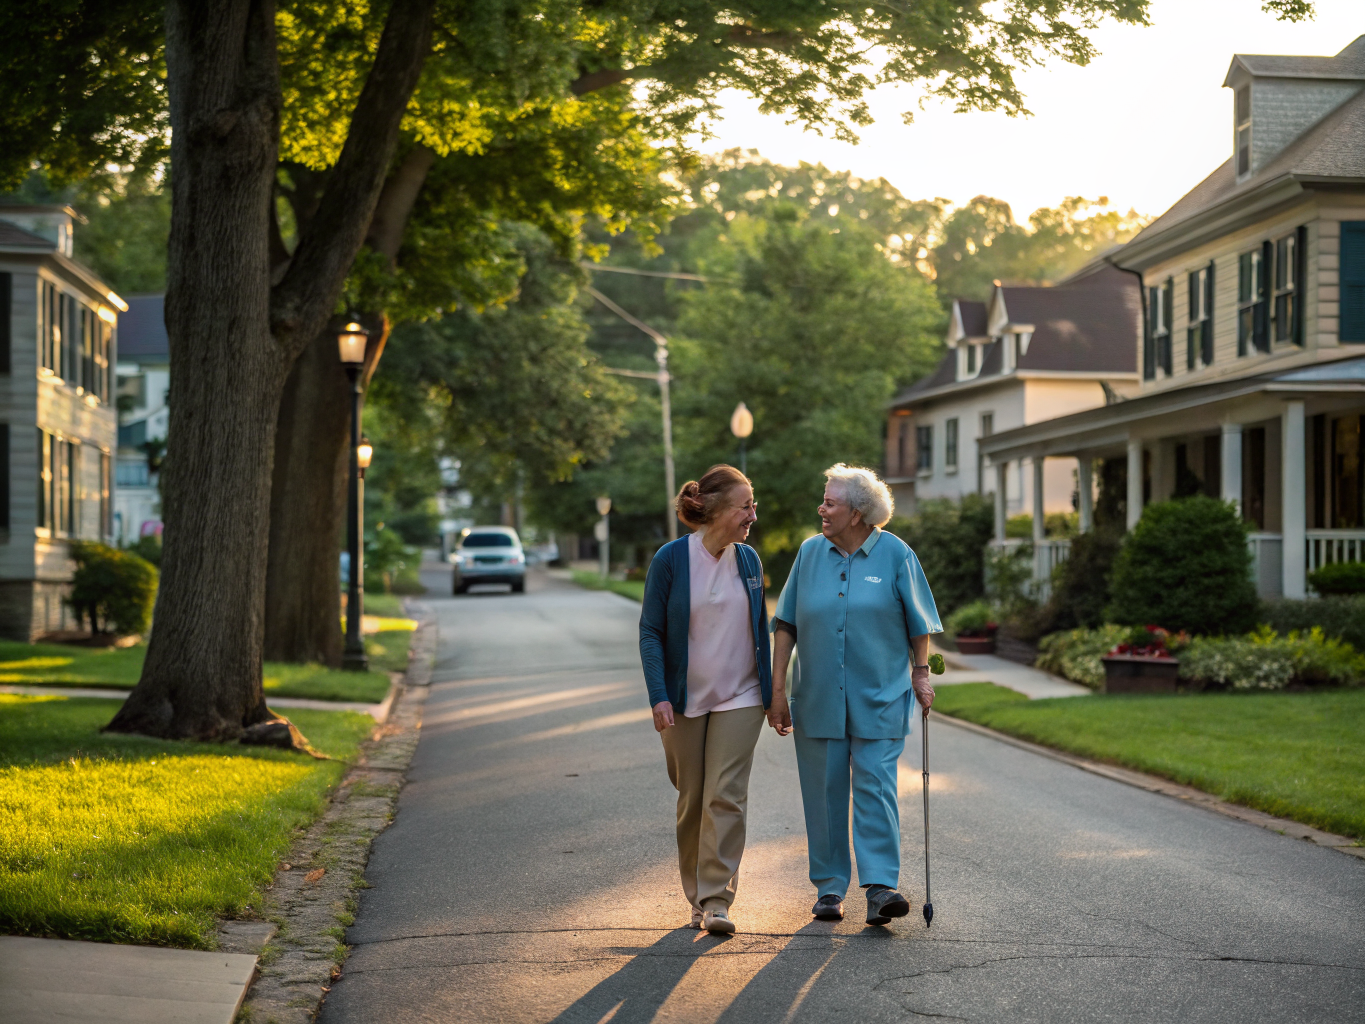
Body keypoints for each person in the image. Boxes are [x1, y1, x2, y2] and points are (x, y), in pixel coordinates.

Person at [767, 463, 940, 926]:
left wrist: (920, 674)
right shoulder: (809, 554)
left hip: (880, 695)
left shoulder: (897, 556)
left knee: (876, 786)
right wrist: (777, 689)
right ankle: (828, 888)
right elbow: (786, 624)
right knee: (823, 792)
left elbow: (919, 623)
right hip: (819, 696)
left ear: (859, 513)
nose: (821, 508)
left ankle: (881, 887)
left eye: (830, 502)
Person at [639, 464, 772, 936]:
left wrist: (774, 694)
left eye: (752, 505)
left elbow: (761, 631)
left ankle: (717, 900)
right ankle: (696, 893)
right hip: (682, 699)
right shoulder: (672, 559)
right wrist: (659, 695)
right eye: (745, 506)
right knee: (692, 795)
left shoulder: (749, 561)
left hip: (742, 694)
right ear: (715, 510)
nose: (753, 514)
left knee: (726, 795)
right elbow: (651, 631)